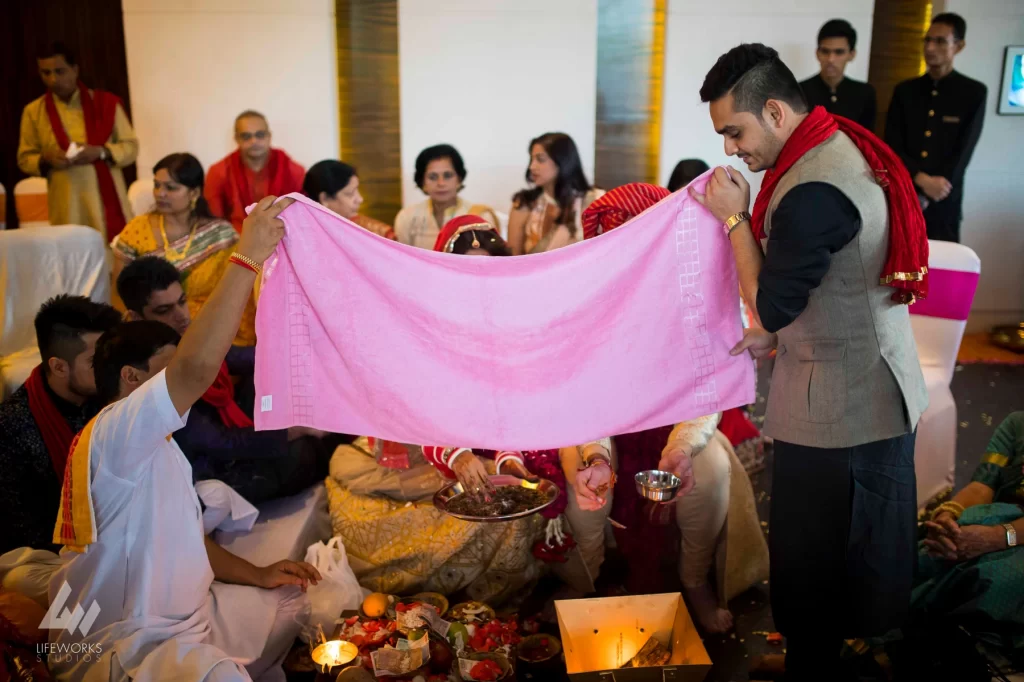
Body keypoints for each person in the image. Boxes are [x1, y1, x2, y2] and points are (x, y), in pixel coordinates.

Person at [694, 43, 929, 678]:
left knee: (819, 563)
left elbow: (771, 304)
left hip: (846, 405)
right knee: (823, 559)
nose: (731, 150)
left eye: (734, 131)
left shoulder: (814, 187)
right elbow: (824, 281)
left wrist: (734, 218)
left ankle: (818, 664)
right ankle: (815, 656)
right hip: (858, 376)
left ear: (773, 110)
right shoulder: (829, 145)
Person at [48, 195, 320, 681]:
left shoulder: (160, 444)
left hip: (191, 619)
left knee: (299, 600)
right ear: (132, 379)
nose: (188, 380)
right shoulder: (115, 433)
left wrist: (258, 574)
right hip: (128, 644)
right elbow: (197, 367)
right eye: (167, 371)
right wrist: (247, 257)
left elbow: (185, 538)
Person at [577, 184, 770, 634]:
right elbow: (587, 401)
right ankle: (587, 584)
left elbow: (706, 397)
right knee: (581, 486)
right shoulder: (590, 306)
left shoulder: (694, 296)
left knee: (710, 474)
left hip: (679, 426)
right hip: (604, 428)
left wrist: (681, 447)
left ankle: (694, 580)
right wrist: (597, 456)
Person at [117, 255, 333, 504]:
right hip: (211, 470)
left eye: (182, 302)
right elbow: (222, 443)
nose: (181, 316)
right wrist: (296, 429)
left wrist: (312, 350)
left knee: (274, 376)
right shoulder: (148, 370)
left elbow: (249, 358)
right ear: (135, 317)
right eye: (164, 310)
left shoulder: (186, 338)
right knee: (301, 451)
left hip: (228, 432)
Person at [0, 296, 121, 556]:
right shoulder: (13, 427)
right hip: (54, 553)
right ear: (58, 367)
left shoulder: (108, 397)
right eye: (95, 361)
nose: (109, 368)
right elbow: (24, 532)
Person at [111, 153, 257, 346]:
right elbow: (119, 292)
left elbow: (238, 291)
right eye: (157, 185)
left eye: (171, 188)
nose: (160, 193)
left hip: (213, 332)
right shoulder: (137, 230)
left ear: (194, 193)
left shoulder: (221, 234)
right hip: (156, 336)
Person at [17, 42, 137, 238]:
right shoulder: (33, 111)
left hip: (106, 204)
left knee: (113, 257)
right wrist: (45, 159)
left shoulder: (105, 103)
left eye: (60, 71)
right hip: (65, 205)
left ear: (75, 70)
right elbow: (24, 158)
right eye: (45, 73)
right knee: (71, 253)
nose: (53, 79)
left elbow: (131, 147)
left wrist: (101, 152)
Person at [885, 13, 987, 243]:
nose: (930, 47)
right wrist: (920, 179)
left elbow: (964, 150)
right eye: (927, 40)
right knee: (898, 273)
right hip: (905, 195)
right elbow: (892, 143)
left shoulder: (973, 92)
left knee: (942, 271)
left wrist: (938, 187)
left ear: (958, 46)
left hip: (945, 201)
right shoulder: (905, 91)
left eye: (940, 41)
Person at [205, 110, 305, 232]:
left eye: (260, 135)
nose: (254, 141)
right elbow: (214, 224)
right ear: (237, 139)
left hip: (282, 240)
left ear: (269, 136)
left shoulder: (293, 171)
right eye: (246, 136)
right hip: (237, 244)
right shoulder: (219, 172)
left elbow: (301, 219)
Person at [507, 133, 604, 255]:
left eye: (540, 159)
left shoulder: (594, 200)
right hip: (536, 273)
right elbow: (512, 261)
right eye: (531, 159)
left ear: (563, 161)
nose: (532, 166)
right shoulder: (525, 203)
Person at [394, 144, 498, 249]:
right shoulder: (407, 217)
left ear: (459, 179)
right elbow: (402, 260)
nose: (441, 183)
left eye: (447, 175)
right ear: (423, 182)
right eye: (432, 177)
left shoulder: (481, 217)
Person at [798, 20, 877, 130]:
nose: (831, 59)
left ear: (851, 54)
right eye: (825, 51)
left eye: (839, 52)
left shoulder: (865, 93)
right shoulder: (799, 91)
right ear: (817, 53)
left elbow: (866, 140)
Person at [303, 159, 395, 240]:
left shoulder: (376, 233)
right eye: (350, 194)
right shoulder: (303, 238)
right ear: (325, 199)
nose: (360, 199)